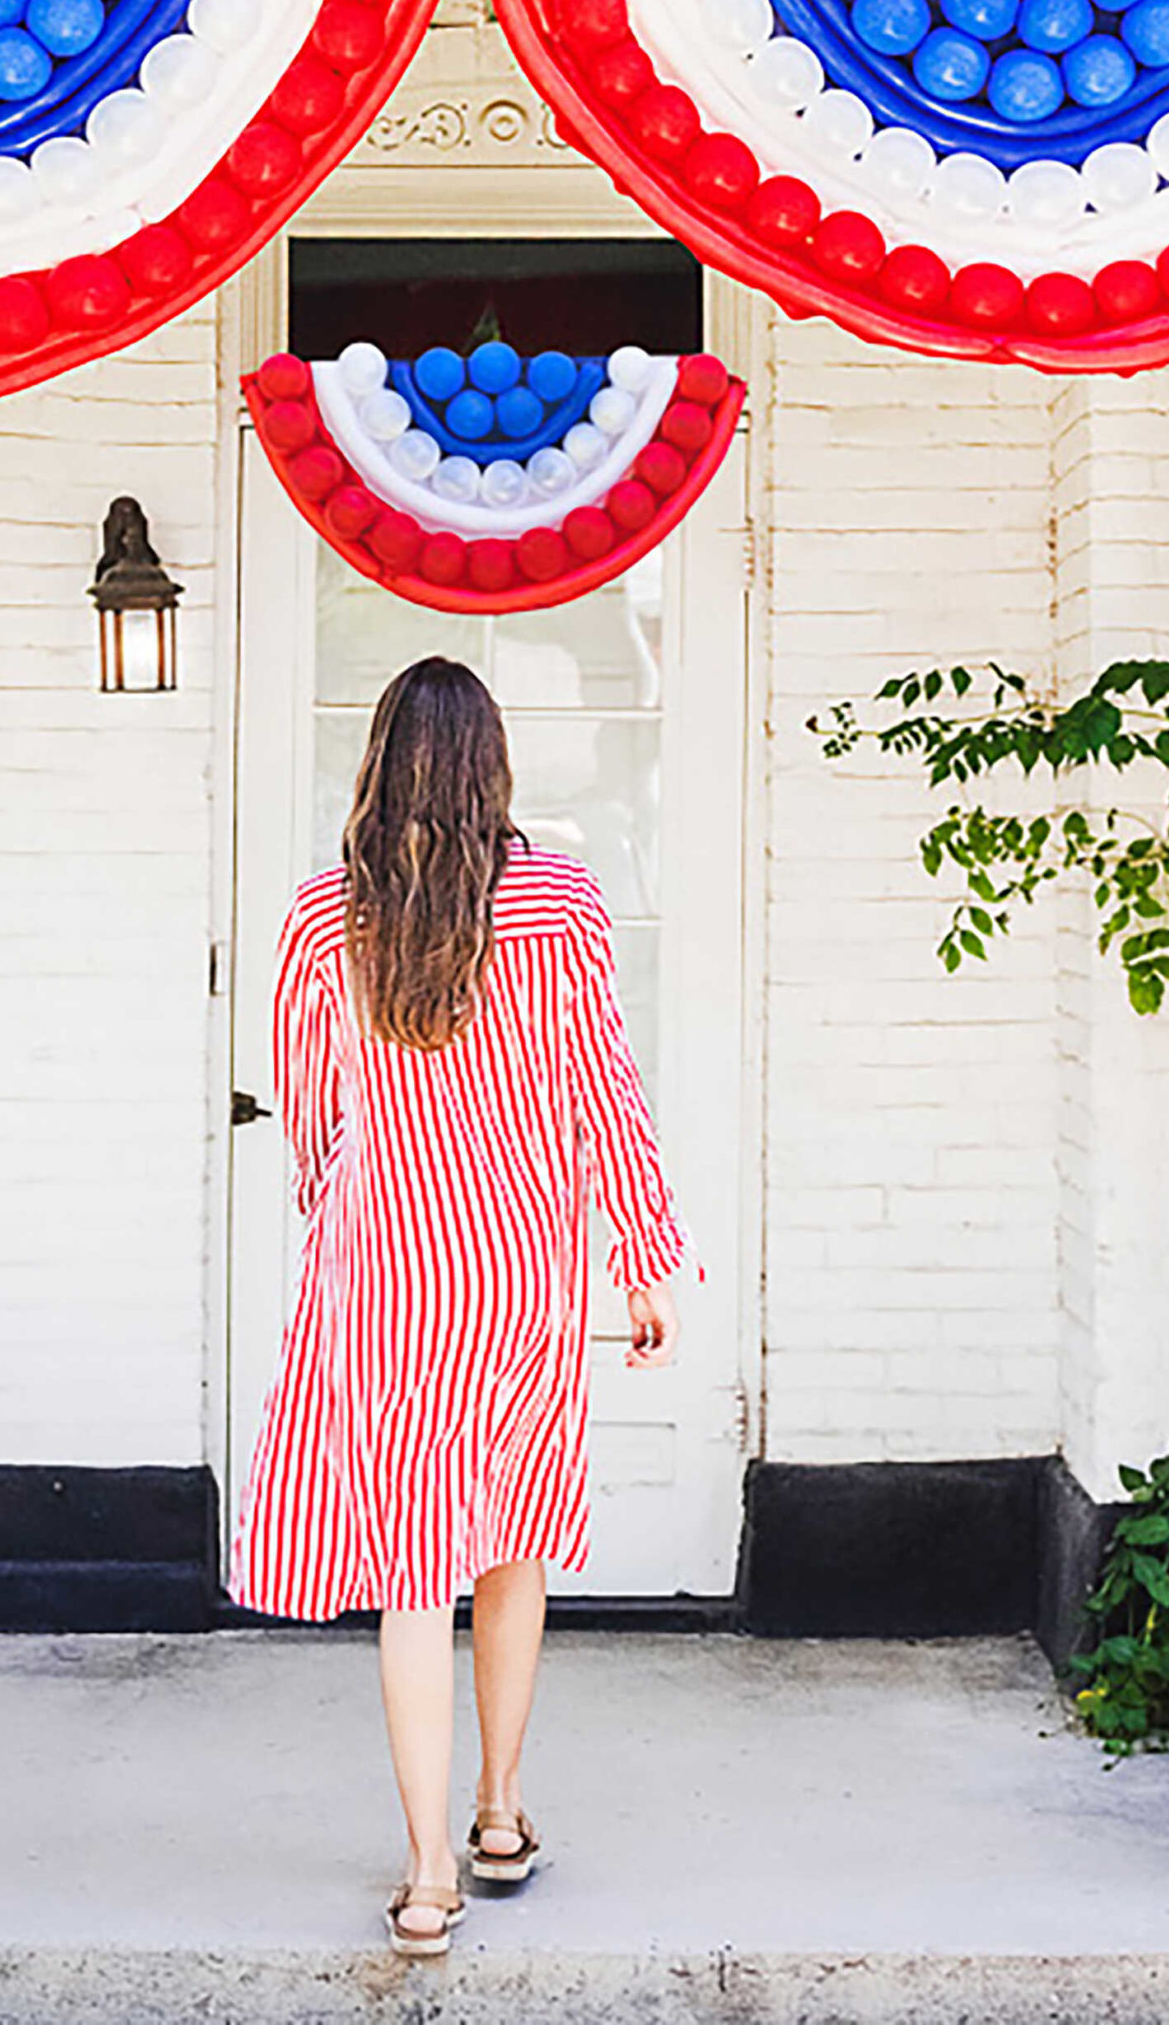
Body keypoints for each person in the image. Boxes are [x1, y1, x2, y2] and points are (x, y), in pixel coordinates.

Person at [229, 655, 692, 1957]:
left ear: (376, 766)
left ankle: (428, 1875)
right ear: (493, 770)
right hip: (523, 1267)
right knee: (511, 1535)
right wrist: (646, 1254)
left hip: (387, 1275)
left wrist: (350, 1209)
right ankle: (498, 1813)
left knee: (413, 1567)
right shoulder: (562, 901)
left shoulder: (326, 919)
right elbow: (607, 1085)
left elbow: (311, 1114)